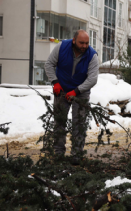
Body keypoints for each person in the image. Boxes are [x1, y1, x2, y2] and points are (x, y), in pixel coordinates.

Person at [45, 30, 99, 164]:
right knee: (59, 122)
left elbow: (92, 79)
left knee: (79, 124)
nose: (84, 46)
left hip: (81, 92)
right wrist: (55, 82)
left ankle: (77, 154)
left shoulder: (92, 55)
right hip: (61, 89)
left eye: (87, 43)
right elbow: (49, 64)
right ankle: (58, 154)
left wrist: (76, 91)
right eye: (81, 43)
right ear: (74, 40)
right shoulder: (61, 47)